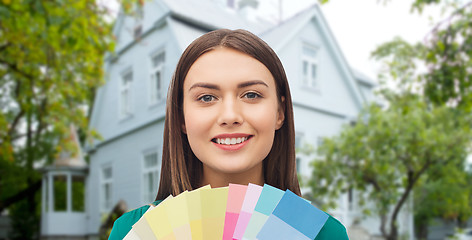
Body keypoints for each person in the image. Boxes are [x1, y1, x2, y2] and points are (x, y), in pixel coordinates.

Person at [109, 29, 349, 239]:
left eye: (251, 95)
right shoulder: (130, 231)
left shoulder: (324, 234)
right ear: (181, 118)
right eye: (206, 97)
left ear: (279, 112)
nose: (230, 115)